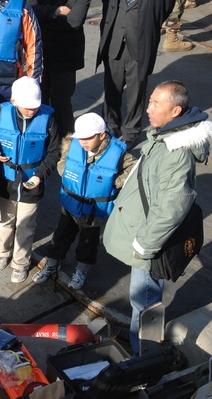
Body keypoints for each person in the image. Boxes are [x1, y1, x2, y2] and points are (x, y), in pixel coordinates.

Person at [103, 81, 212, 354]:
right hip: (143, 236)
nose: (148, 109)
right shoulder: (163, 136)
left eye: (155, 104)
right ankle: (138, 345)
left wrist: (144, 245)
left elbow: (172, 208)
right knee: (140, 300)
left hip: (147, 243)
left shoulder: (175, 154)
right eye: (150, 101)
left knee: (146, 302)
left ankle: (144, 356)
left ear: (175, 110)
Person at [33, 113, 136, 292]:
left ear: (101, 135)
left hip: (95, 211)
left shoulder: (118, 152)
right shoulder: (73, 144)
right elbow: (62, 159)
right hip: (70, 203)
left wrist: (115, 181)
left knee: (88, 243)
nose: (83, 142)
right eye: (80, 138)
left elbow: (133, 168)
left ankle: (81, 270)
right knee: (60, 236)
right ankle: (51, 263)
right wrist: (65, 171)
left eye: (88, 138)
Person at [97, 0, 176, 148]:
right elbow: (107, 0)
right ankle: (111, 125)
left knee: (136, 90)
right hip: (114, 40)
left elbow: (165, 7)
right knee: (111, 87)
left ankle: (131, 132)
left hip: (140, 45)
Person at [0, 77, 61, 284]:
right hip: (6, 178)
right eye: (27, 107)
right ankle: (2, 252)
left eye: (35, 107)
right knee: (5, 221)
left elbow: (54, 151)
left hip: (32, 181)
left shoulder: (48, 119)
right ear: (14, 101)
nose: (31, 111)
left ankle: (20, 262)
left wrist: (40, 175)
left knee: (26, 224)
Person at [28, 0, 94, 134]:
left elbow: (74, 21)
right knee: (39, 99)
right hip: (41, 52)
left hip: (65, 55)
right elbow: (31, 10)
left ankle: (65, 139)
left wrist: (44, 15)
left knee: (61, 103)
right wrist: (56, 11)